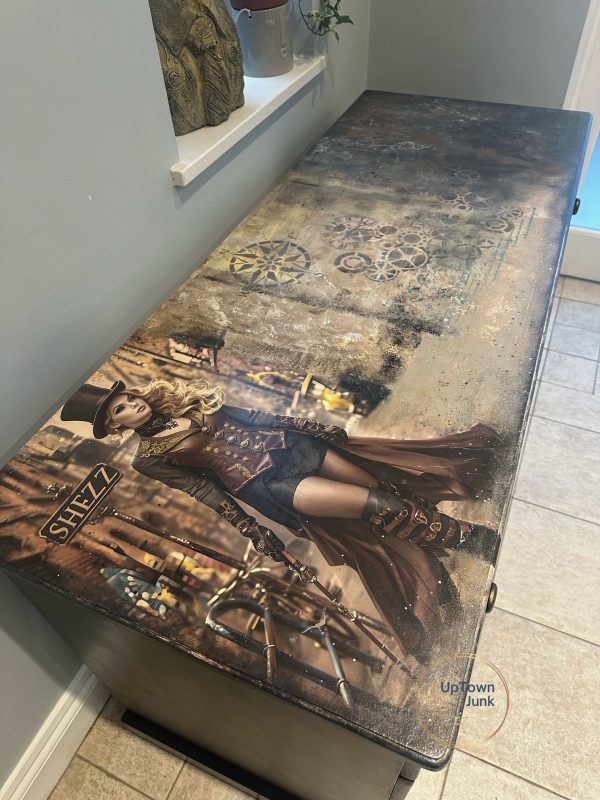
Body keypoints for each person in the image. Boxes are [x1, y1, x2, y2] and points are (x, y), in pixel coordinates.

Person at [61, 378, 500, 664]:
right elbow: (205, 491)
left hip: (297, 447)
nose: (131, 405)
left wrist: (307, 425)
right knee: (376, 507)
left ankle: (450, 557)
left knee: (390, 492)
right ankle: (473, 540)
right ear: (114, 427)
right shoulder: (148, 459)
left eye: (127, 398)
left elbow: (254, 417)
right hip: (271, 485)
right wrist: (253, 529)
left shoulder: (189, 404)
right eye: (120, 410)